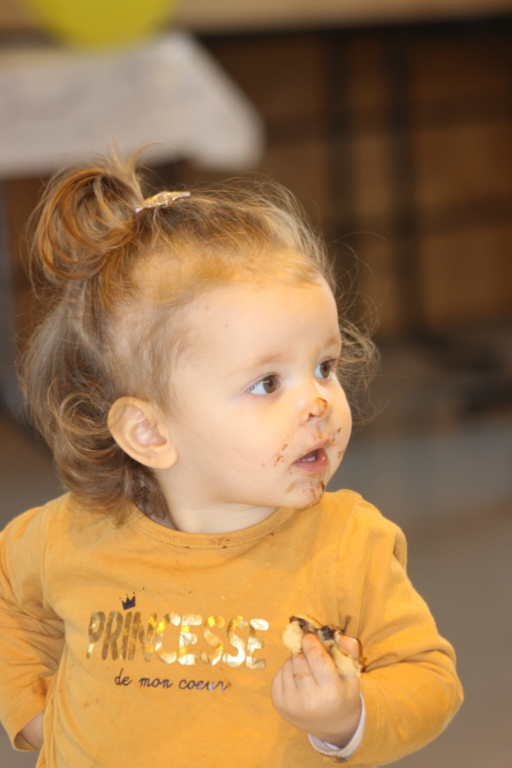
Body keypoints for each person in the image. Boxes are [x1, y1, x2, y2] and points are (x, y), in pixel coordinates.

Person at [0, 151, 462, 767]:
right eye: (267, 383)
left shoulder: (348, 546)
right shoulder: (69, 536)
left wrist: (346, 718)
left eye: (324, 366)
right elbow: (9, 597)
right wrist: (32, 712)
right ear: (149, 431)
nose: (318, 402)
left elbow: (428, 680)